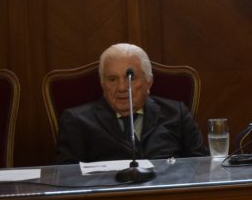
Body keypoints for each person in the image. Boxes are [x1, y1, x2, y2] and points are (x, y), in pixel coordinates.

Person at [55, 43, 206, 163]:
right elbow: (66, 177)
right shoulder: (77, 120)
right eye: (112, 79)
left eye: (130, 78)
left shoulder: (176, 113)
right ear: (102, 84)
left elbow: (202, 165)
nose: (121, 88)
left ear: (148, 82)